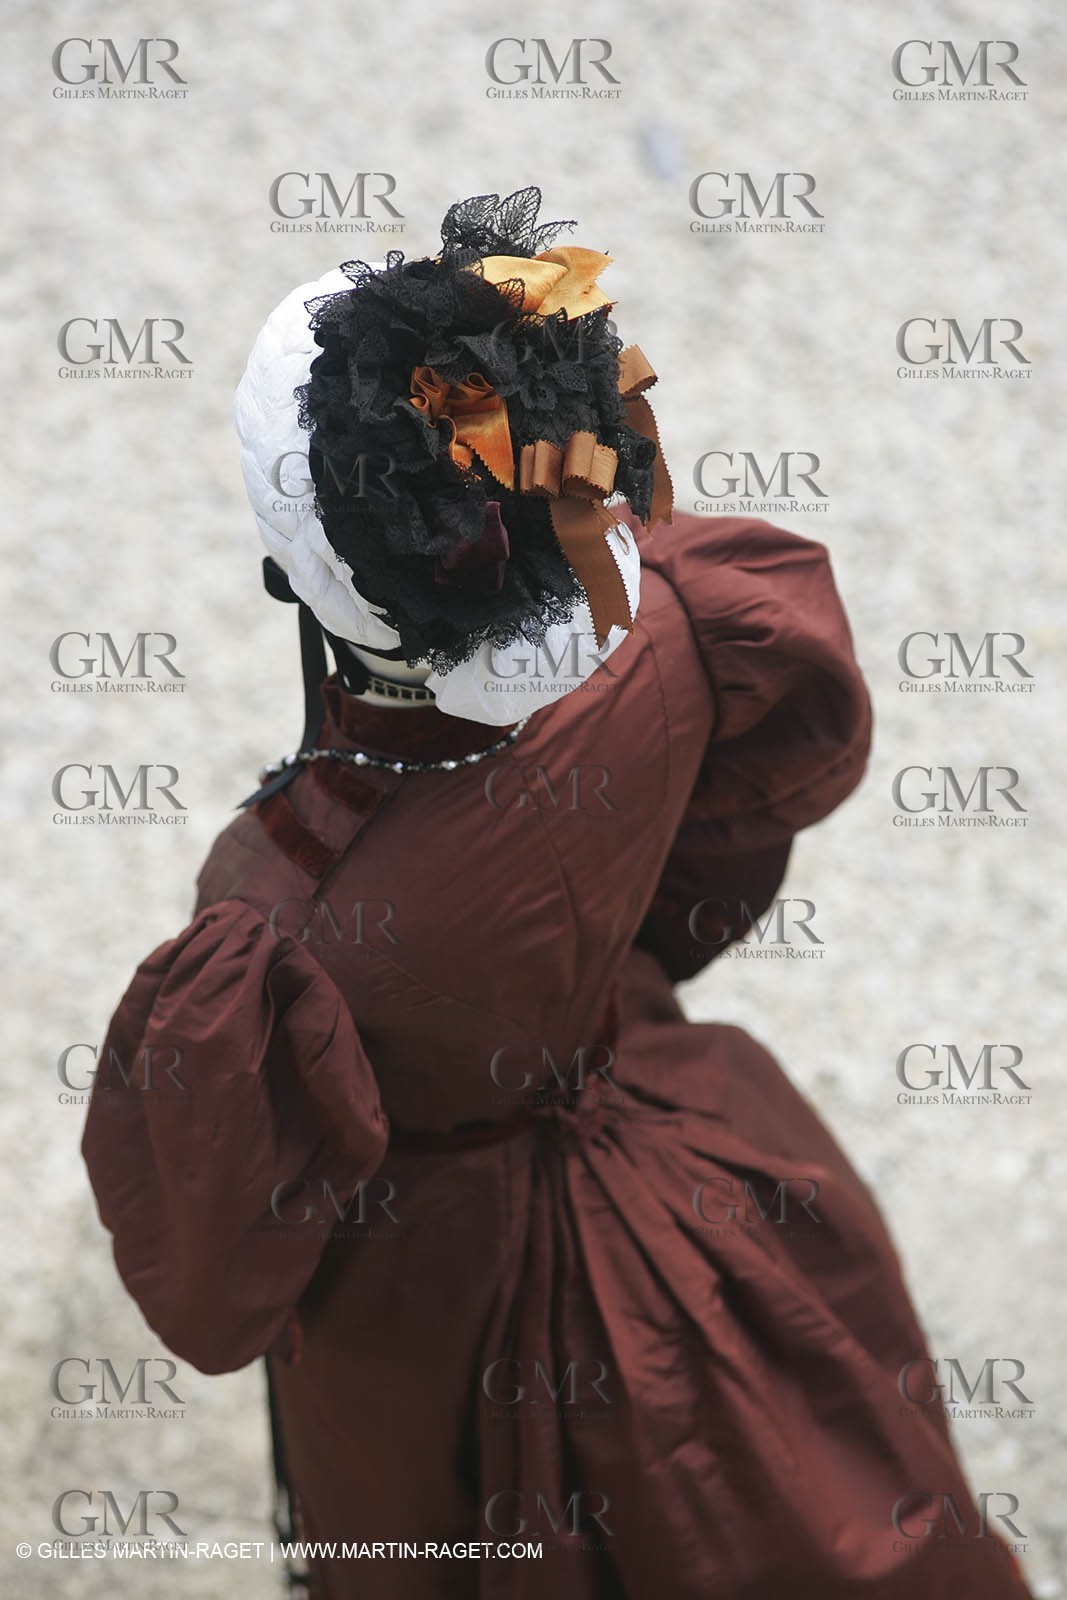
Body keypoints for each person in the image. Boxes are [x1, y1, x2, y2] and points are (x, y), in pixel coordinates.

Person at [83, 190, 1032, 1599]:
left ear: (313, 580)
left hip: (435, 1289)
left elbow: (219, 1273)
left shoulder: (279, 913)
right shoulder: (683, 629)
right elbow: (720, 847)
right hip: (665, 1119)